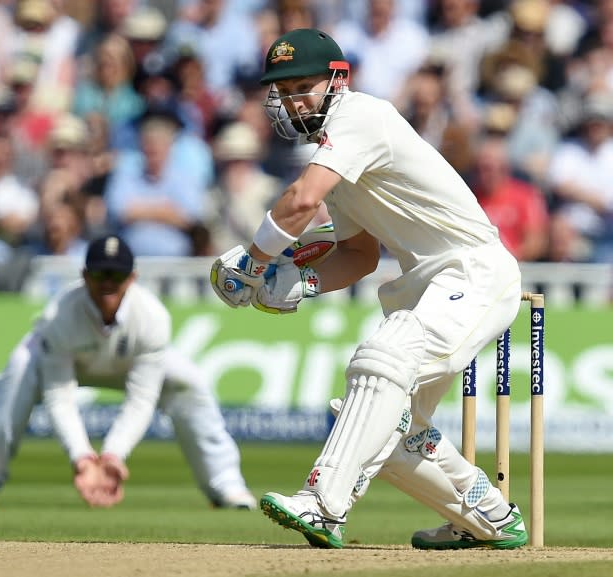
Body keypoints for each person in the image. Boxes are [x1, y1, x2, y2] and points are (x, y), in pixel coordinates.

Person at [210, 28, 527, 550]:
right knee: (386, 424)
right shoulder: (338, 149)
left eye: (301, 87)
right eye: (282, 91)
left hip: (474, 273)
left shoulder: (359, 117)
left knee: (381, 361)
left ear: (338, 80)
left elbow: (300, 200)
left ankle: (324, 505)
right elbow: (359, 256)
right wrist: (299, 281)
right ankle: (489, 515)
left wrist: (253, 260)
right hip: (426, 286)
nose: (290, 100)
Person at [0, 234, 256, 510]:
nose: (108, 284)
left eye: (116, 276)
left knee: (188, 381)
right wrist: (83, 458)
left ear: (132, 278)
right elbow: (59, 397)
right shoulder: (59, 315)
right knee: (19, 367)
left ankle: (225, 482)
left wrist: (113, 454)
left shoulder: (152, 317)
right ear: (85, 276)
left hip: (126, 363)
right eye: (100, 275)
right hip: (68, 362)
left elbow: (141, 400)